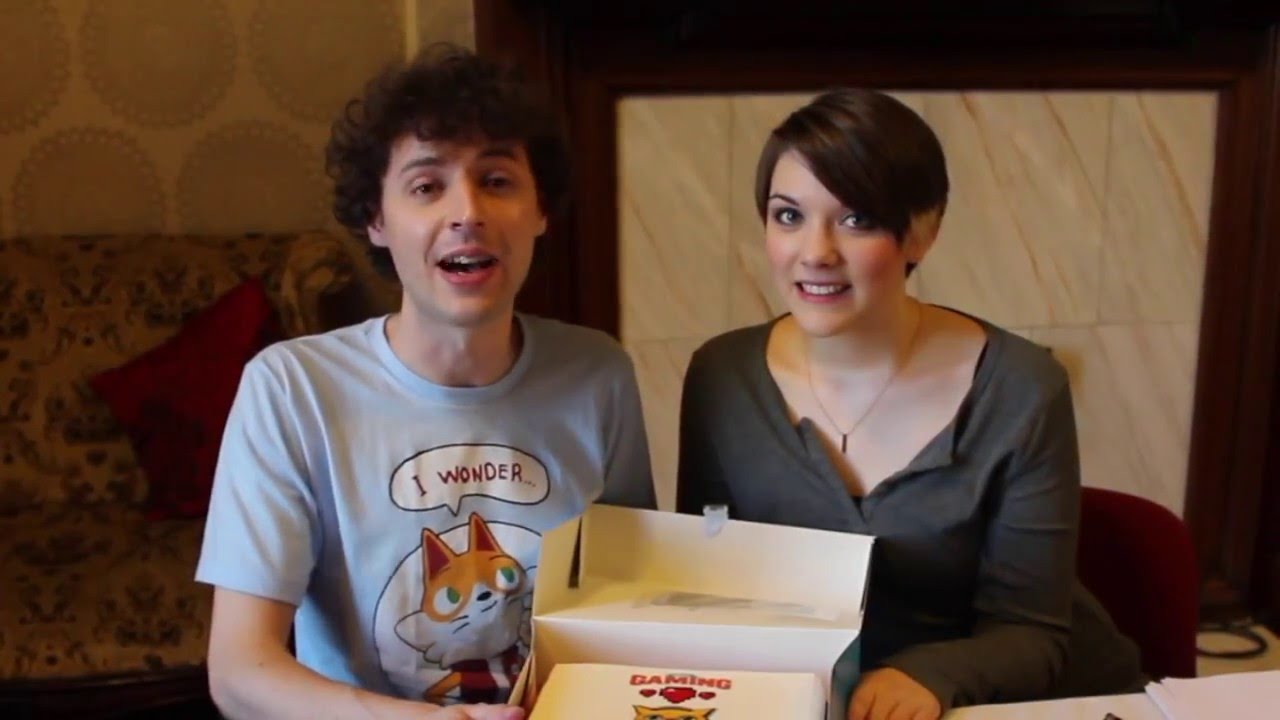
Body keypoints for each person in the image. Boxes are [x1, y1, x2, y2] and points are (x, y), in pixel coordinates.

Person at [196, 44, 656, 720]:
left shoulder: (600, 374)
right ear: (376, 219)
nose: (467, 211)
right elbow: (239, 673)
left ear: (541, 210)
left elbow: (629, 609)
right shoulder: (290, 389)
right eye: (426, 186)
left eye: (497, 180)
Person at [675, 89, 1144, 720]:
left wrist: (926, 675)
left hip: (1018, 702)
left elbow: (1032, 630)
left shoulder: (1023, 388)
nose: (815, 252)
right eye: (789, 216)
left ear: (923, 231)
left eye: (856, 219)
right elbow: (708, 587)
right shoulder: (721, 376)